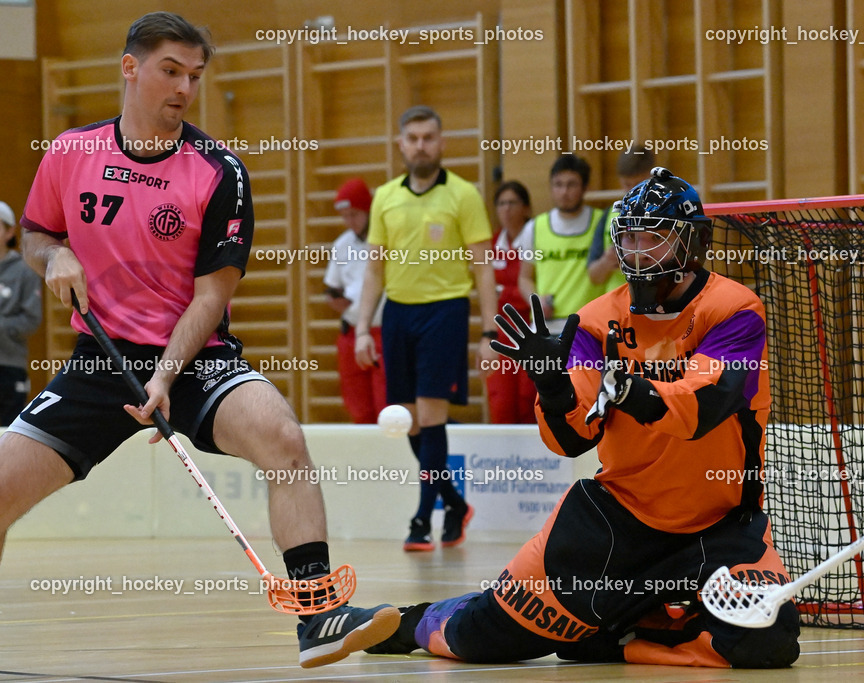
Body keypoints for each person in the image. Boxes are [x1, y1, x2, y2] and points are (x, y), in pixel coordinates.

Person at [0, 12, 398, 669]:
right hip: (100, 359)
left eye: (195, 75)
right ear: (130, 68)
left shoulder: (219, 172)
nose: (185, 88)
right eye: (170, 71)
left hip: (195, 356)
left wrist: (164, 372)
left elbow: (212, 296)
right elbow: (38, 235)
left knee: (283, 438)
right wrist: (53, 260)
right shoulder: (71, 152)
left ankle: (319, 612)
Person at [356, 168, 801, 669]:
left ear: (693, 243)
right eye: (629, 238)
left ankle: (613, 638)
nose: (638, 252)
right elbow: (570, 439)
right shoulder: (594, 321)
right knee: (483, 640)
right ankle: (414, 620)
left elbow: (707, 405)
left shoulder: (735, 310)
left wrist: (631, 389)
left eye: (654, 239)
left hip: (721, 528)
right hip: (617, 520)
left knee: (767, 643)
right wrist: (551, 385)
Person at [354, 105, 498, 551]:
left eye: (428, 137)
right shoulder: (385, 198)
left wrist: (490, 334)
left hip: (445, 312)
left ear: (441, 142)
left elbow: (483, 268)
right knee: (411, 423)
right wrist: (363, 327)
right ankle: (454, 503)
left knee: (432, 415)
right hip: (397, 314)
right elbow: (374, 271)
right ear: (401, 144)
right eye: (412, 138)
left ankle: (421, 521)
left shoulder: (463, 195)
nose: (420, 145)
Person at [323, 177, 387, 423]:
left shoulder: (386, 240)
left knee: (386, 405)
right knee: (358, 408)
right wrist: (335, 300)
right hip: (351, 333)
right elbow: (332, 286)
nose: (350, 221)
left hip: (382, 331)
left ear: (368, 209)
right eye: (345, 216)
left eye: (354, 214)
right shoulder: (341, 244)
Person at [518, 154, 605, 333]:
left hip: (588, 325)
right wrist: (537, 301)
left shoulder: (601, 223)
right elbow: (524, 277)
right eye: (558, 184)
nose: (564, 192)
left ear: (585, 187)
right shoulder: (534, 227)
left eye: (571, 184)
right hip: (545, 327)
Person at [486, 181, 536, 424]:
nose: (506, 209)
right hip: (500, 336)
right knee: (501, 405)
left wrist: (504, 292)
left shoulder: (536, 240)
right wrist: (514, 293)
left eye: (512, 203)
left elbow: (538, 287)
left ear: (526, 208)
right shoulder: (491, 245)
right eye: (501, 203)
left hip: (530, 332)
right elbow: (485, 291)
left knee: (529, 401)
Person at [587, 143, 657, 293]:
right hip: (618, 307)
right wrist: (607, 261)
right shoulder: (609, 215)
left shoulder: (669, 211)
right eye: (627, 184)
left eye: (639, 184)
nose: (632, 191)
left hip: (658, 300)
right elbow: (594, 277)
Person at [0, 201, 42, 425]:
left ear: (9, 232)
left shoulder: (24, 271)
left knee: (6, 436)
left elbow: (30, 320)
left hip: (9, 366)